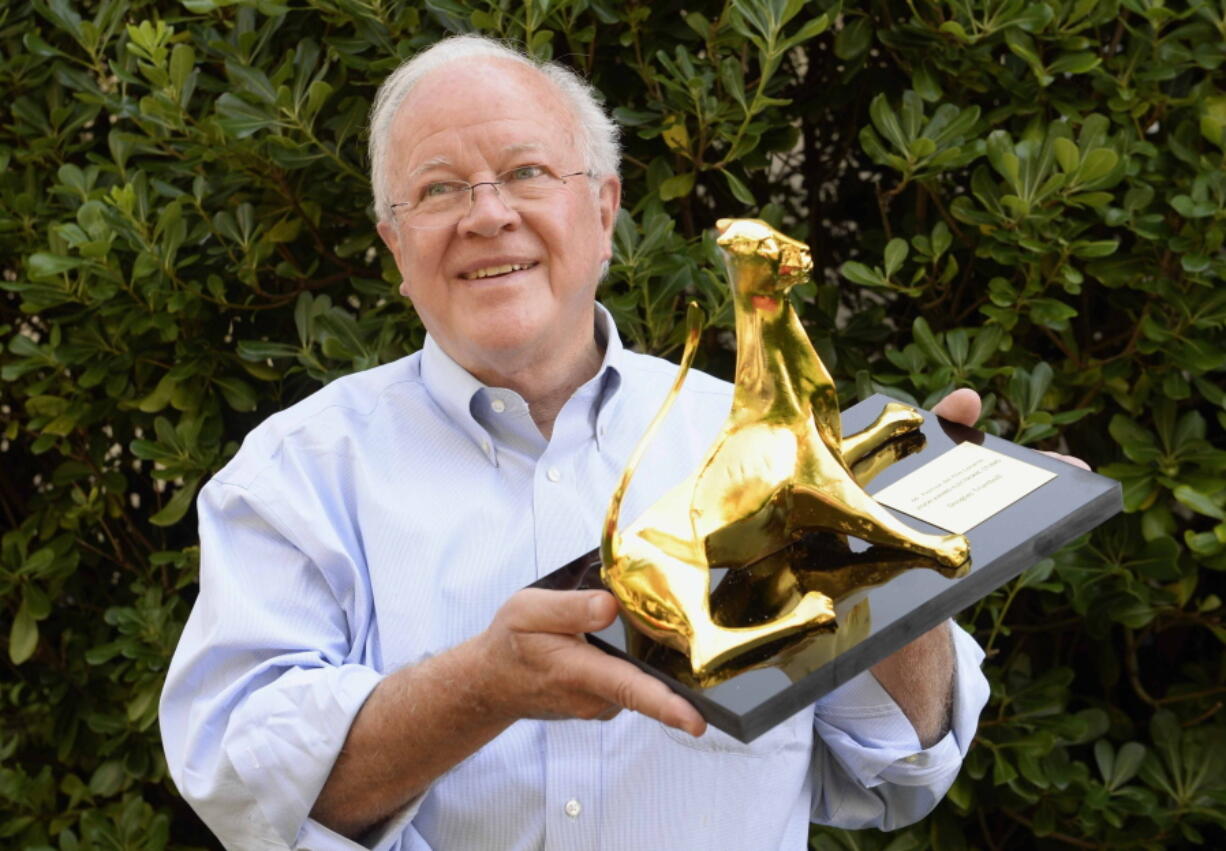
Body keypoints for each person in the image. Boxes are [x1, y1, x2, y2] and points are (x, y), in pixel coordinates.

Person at [160, 35, 999, 851]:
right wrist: (481, 688)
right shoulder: (294, 474)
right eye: (440, 190)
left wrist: (904, 576)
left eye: (525, 173)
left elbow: (900, 765)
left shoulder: (756, 444)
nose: (488, 215)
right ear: (396, 246)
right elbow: (252, 793)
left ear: (603, 211)